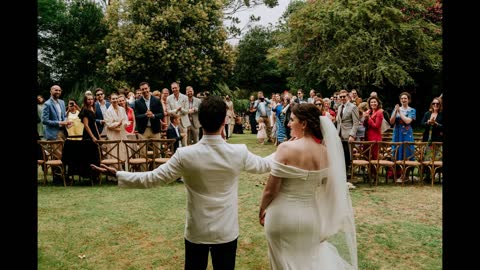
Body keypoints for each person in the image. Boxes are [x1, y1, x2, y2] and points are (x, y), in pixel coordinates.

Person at [91, 96, 271, 270]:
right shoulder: (238, 152)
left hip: (197, 230)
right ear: (225, 120)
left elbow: (152, 178)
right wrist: (291, 147)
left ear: (199, 120)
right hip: (226, 231)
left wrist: (119, 175)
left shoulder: (185, 154)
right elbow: (266, 164)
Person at [258, 103, 358, 269]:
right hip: (311, 218)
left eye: (292, 120)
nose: (289, 124)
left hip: (281, 217)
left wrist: (262, 209)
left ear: (303, 124)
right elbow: (330, 191)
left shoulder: (285, 148)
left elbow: (270, 190)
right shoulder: (326, 153)